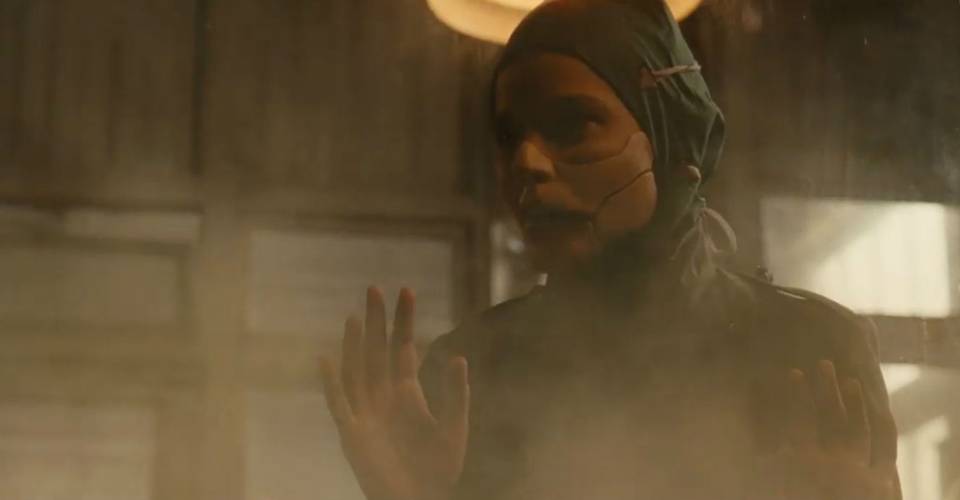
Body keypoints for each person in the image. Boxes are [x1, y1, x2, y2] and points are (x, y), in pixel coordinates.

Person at [319, 1, 902, 499]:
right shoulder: (469, 371)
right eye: (509, 138)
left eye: (572, 125)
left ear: (672, 140)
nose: (526, 163)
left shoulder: (810, 348)